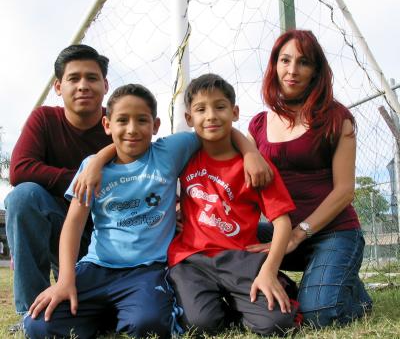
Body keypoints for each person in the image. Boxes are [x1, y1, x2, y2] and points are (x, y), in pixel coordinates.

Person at [24, 83, 273, 339]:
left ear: (155, 125)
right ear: (107, 125)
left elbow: (214, 128)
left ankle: (121, 312)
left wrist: (251, 151)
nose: (132, 129)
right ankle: (107, 313)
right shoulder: (91, 169)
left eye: (141, 120)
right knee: (39, 326)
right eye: (122, 120)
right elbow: (74, 225)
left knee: (149, 325)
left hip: (147, 269)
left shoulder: (168, 152)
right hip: (98, 267)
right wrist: (65, 280)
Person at [246, 29, 373, 328]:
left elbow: (344, 191)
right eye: (285, 60)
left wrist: (299, 233)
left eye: (303, 62)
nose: (292, 70)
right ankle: (328, 279)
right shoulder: (259, 124)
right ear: (274, 64)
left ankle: (357, 296)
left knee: (318, 315)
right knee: (229, 240)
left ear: (316, 70)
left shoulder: (337, 118)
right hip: (283, 233)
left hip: (334, 232)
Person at [167, 73, 300, 336]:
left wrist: (270, 271)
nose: (211, 116)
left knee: (275, 325)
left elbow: (282, 223)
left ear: (235, 112)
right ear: (189, 119)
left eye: (220, 107)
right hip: (191, 259)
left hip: (239, 258)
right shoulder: (183, 156)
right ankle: (221, 304)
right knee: (201, 325)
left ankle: (275, 288)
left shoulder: (255, 167)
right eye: (201, 109)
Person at [4, 44, 112, 331]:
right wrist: (84, 176)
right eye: (73, 78)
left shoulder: (119, 123)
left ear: (105, 84)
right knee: (23, 196)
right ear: (58, 86)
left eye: (91, 78)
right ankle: (30, 311)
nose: (83, 86)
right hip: (60, 230)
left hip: (109, 235)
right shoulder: (44, 119)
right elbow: (20, 169)